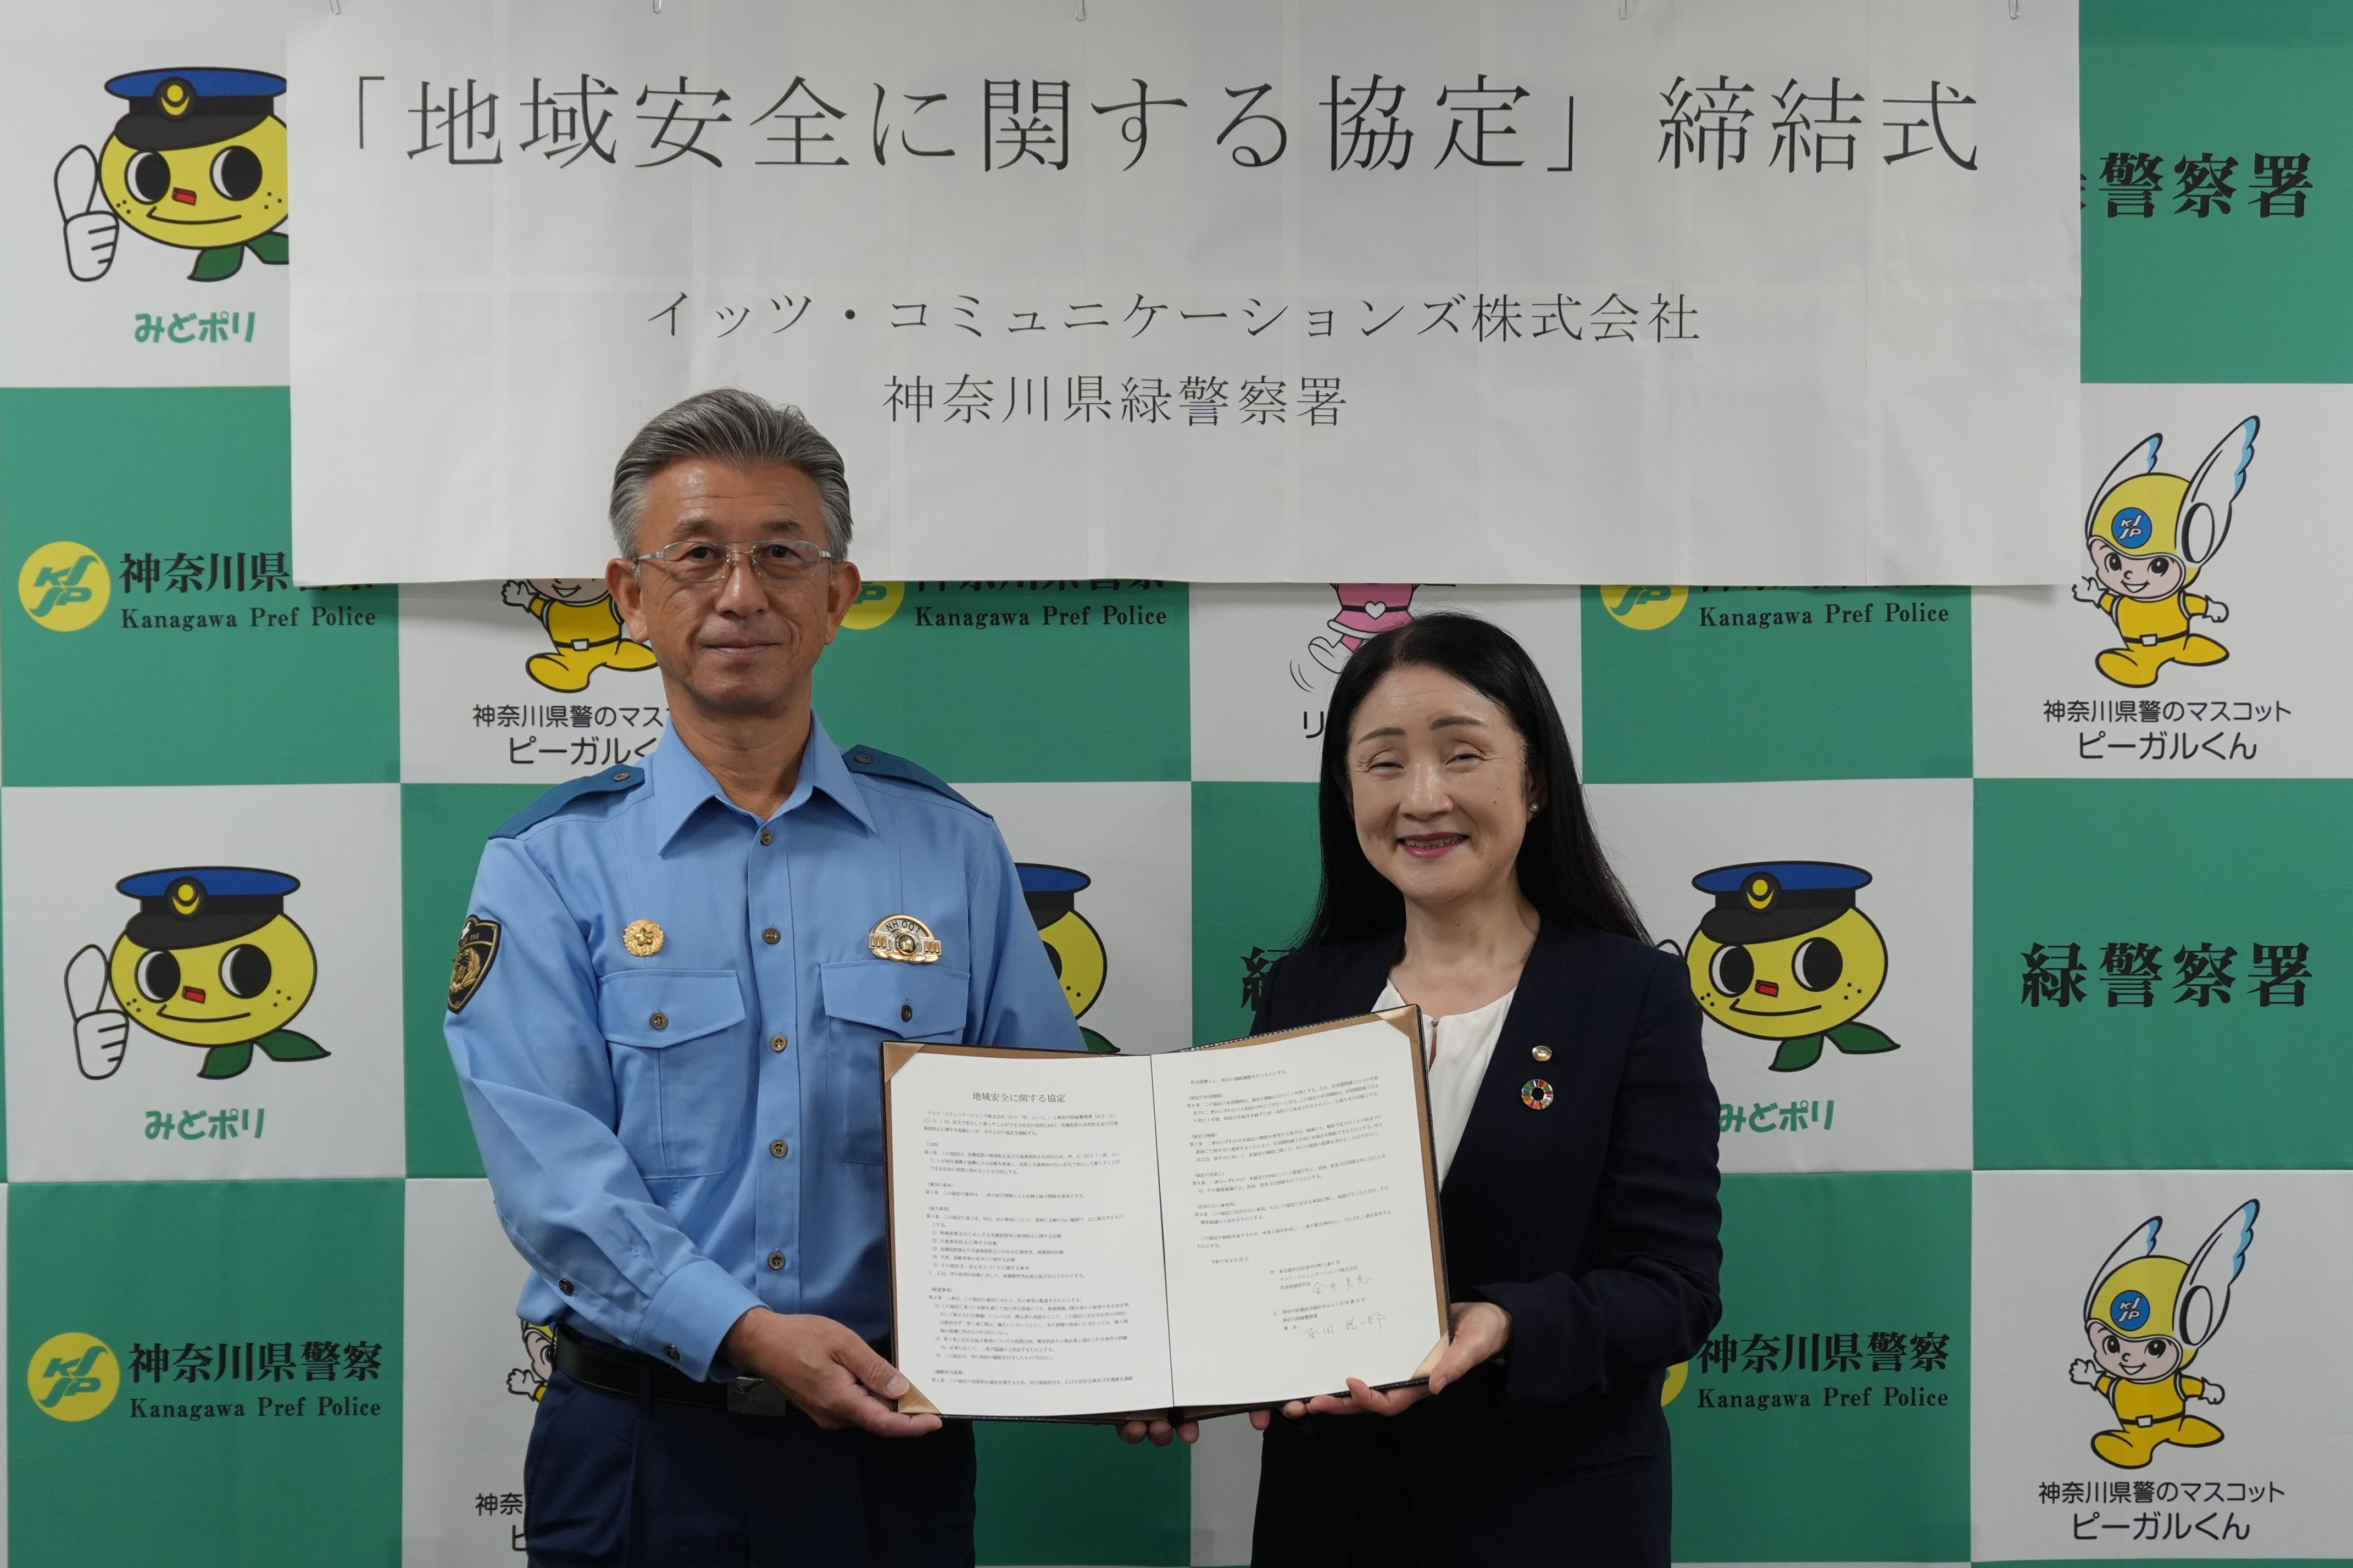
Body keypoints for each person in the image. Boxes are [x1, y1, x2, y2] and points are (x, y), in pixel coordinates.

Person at [446, 389, 1082, 1567]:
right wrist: (738, 1329)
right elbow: (554, 1179)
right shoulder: (547, 866)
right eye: (697, 557)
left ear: (838, 596)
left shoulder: (953, 851)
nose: (741, 594)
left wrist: (1140, 1342)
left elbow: (1051, 1139)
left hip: (888, 1446)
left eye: (783, 555)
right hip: (639, 1448)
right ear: (631, 596)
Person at [1125, 613, 1720, 1565]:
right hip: (1332, 1522)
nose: (1423, 797)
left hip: (1551, 1523)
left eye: (1462, 754)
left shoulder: (1631, 996)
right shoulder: (1305, 992)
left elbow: (1673, 1290)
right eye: (1385, 763)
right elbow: (1248, 1255)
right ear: (1347, 790)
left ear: (1535, 779)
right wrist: (1163, 1362)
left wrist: (1503, 1325)